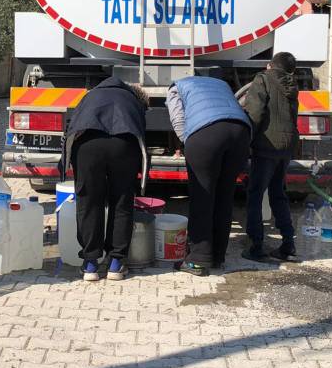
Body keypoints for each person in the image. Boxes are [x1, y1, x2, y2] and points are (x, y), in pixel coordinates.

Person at [64, 77, 148, 282]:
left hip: (88, 147)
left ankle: (90, 264)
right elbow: (141, 131)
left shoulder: (90, 95)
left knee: (90, 201)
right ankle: (116, 264)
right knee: (121, 201)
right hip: (124, 145)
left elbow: (74, 125)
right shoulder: (133, 101)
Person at [166, 76, 252, 275]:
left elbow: (178, 118)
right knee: (224, 196)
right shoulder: (222, 83)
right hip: (241, 132)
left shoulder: (176, 87)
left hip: (206, 133)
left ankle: (198, 260)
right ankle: (217, 257)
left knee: (202, 197)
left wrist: (189, 141)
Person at [242, 52, 299, 262]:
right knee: (278, 194)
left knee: (255, 194)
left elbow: (255, 113)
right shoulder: (293, 85)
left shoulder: (263, 79)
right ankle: (288, 245)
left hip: (266, 146)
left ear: (269, 65)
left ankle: (256, 246)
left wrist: (246, 140)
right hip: (285, 147)